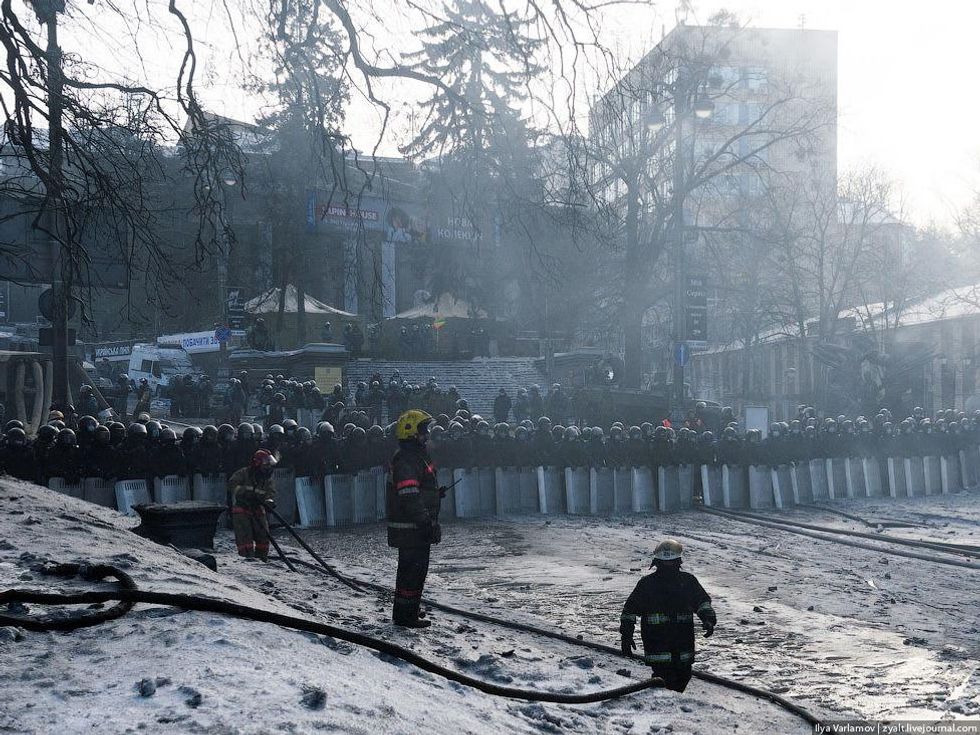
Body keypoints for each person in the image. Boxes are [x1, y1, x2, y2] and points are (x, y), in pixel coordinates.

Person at [620, 539, 716, 693]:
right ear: (657, 563)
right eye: (665, 564)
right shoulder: (647, 585)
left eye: (671, 563)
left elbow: (702, 602)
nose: (668, 567)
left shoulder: (688, 582)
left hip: (682, 647)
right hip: (659, 647)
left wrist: (708, 619)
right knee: (664, 680)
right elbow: (629, 611)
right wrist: (626, 635)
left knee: (683, 678)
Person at [387, 409, 444, 628]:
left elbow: (417, 488)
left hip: (414, 526)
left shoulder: (414, 456)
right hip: (411, 527)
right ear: (410, 432)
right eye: (423, 430)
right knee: (411, 573)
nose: (426, 435)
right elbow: (408, 494)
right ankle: (405, 617)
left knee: (416, 571)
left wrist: (434, 494)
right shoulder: (408, 458)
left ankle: (409, 610)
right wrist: (425, 521)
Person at [226, 449, 278, 560]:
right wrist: (246, 492)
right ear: (257, 463)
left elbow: (270, 491)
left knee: (263, 536)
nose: (268, 467)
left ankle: (262, 559)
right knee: (245, 539)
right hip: (242, 509)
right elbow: (232, 485)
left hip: (258, 508)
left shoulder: (267, 478)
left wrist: (269, 501)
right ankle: (248, 560)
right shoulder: (243, 473)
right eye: (266, 464)